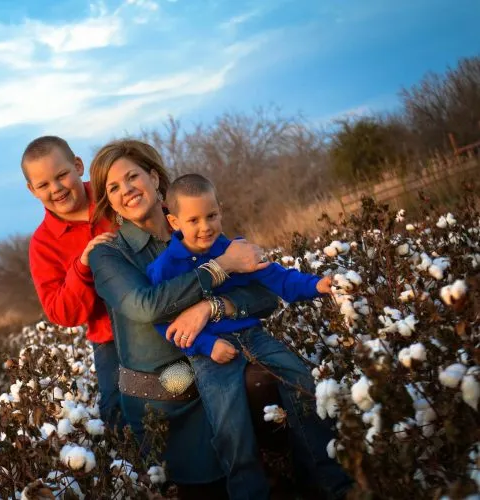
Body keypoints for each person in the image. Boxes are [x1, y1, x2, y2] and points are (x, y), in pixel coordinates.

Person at [87, 139, 282, 498]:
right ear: (108, 201)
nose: (126, 190)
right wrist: (220, 267)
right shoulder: (107, 254)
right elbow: (146, 306)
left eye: (132, 177)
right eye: (113, 187)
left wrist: (210, 308)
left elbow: (266, 295)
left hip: (221, 373)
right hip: (167, 401)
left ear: (155, 177)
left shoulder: (198, 227)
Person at [146, 173, 352, 499]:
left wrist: (316, 285)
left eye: (212, 216)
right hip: (210, 356)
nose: (205, 227)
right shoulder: (165, 267)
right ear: (174, 221)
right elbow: (165, 323)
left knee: (303, 383)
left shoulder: (233, 249)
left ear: (220, 211)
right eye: (194, 219)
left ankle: (325, 480)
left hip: (253, 336)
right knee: (231, 429)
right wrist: (207, 344)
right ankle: (249, 493)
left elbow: (277, 278)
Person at [23, 136, 121, 426]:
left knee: (184, 389)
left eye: (62, 175)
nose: (56, 188)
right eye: (43, 185)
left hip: (162, 318)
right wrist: (82, 267)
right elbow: (62, 314)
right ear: (32, 190)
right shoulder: (42, 245)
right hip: (110, 341)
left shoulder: (113, 197)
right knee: (119, 415)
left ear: (78, 166)